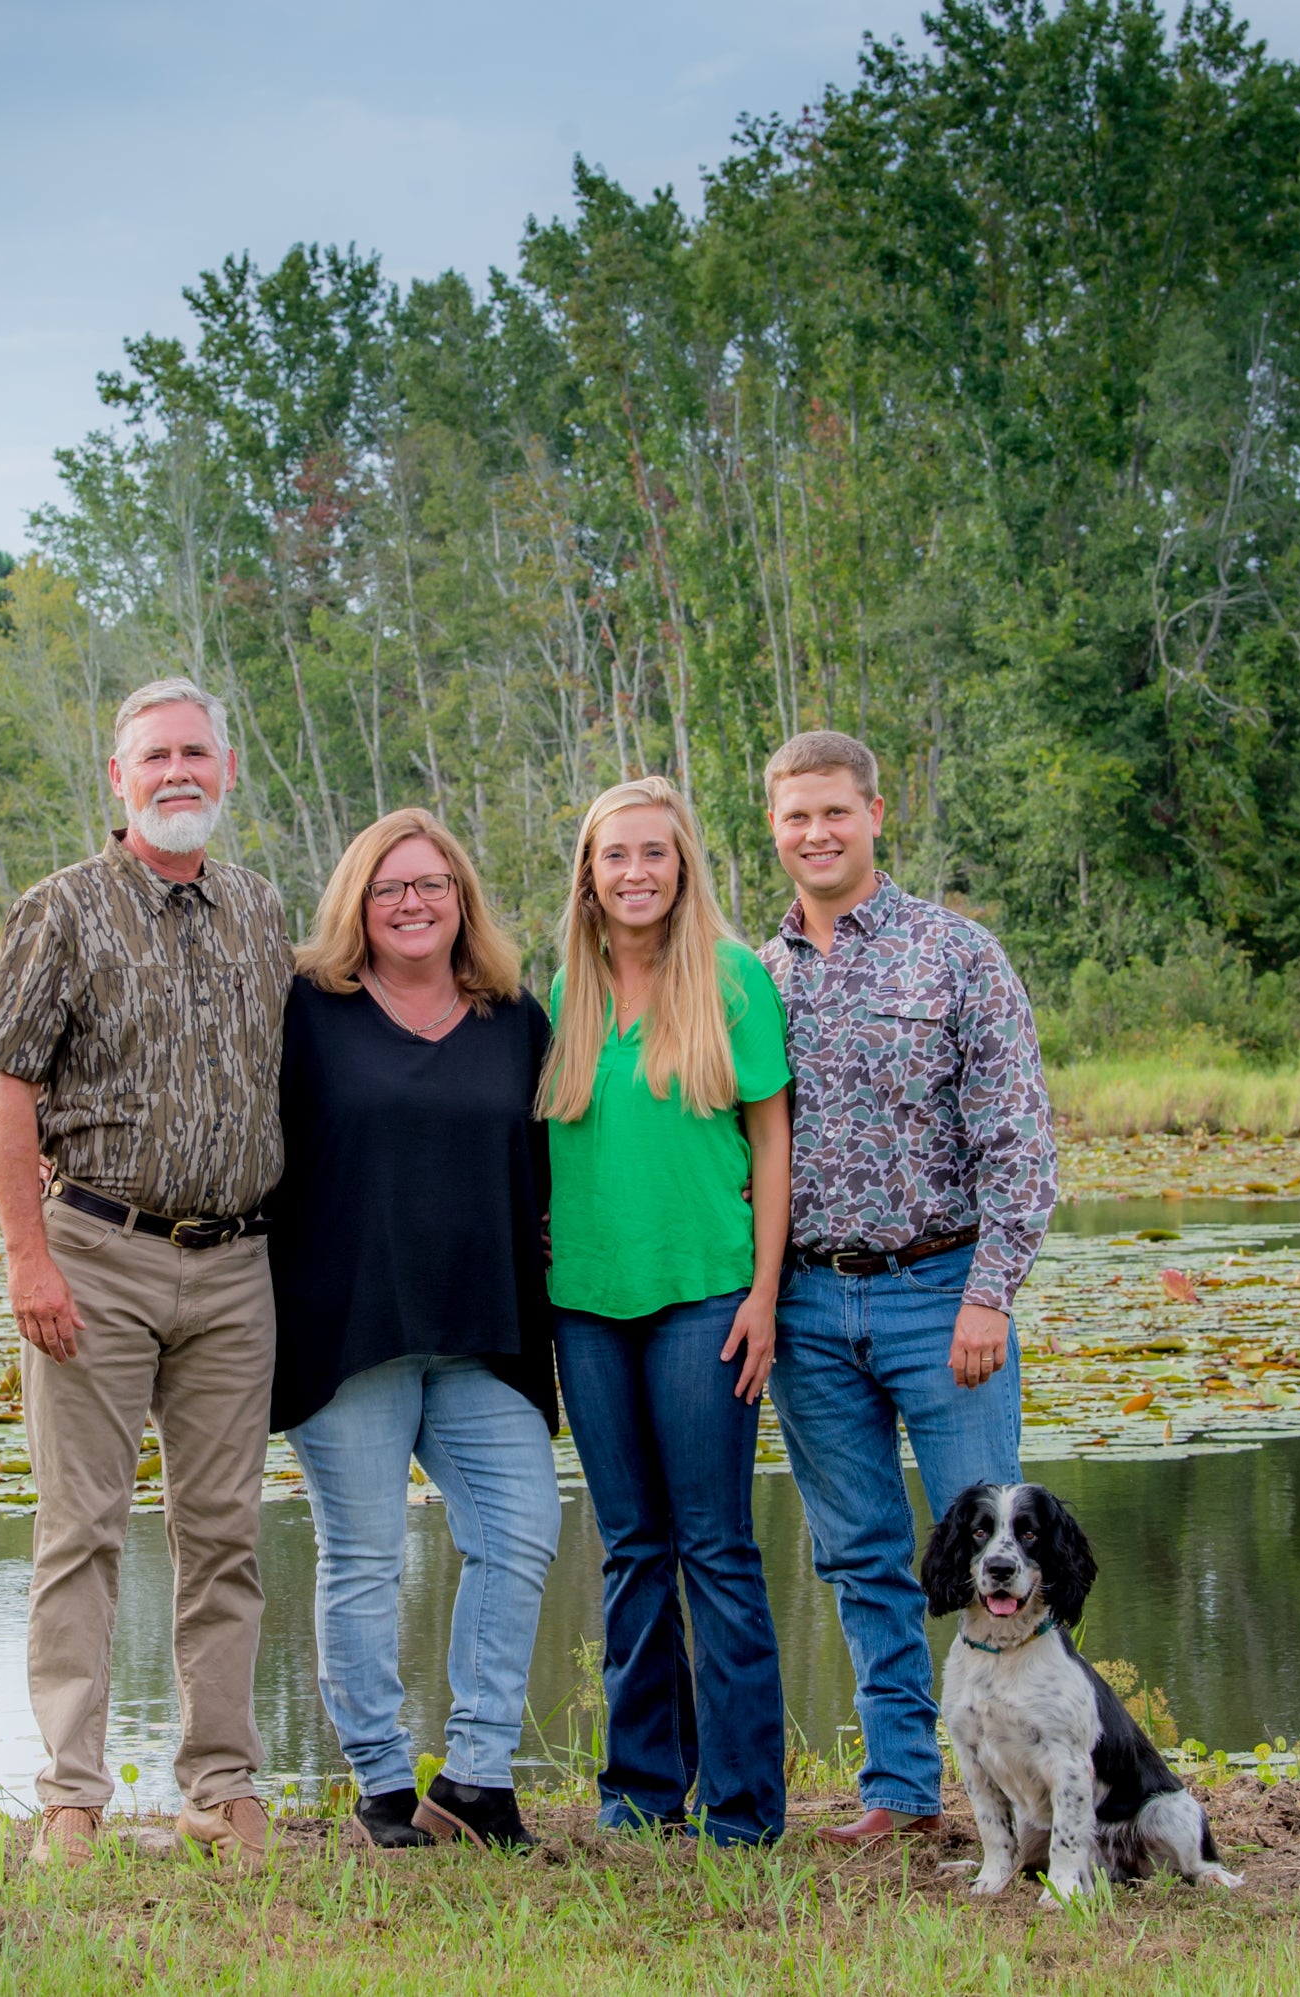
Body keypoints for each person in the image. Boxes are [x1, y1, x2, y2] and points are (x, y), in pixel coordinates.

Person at [0, 676, 294, 1867]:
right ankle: (71, 1795)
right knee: (81, 1531)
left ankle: (221, 1784)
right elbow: (7, 1090)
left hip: (235, 1260)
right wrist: (27, 1258)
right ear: (119, 777)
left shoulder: (261, 910)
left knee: (225, 1534)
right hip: (97, 1252)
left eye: (195, 752)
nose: (177, 773)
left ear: (228, 766)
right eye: (154, 756)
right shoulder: (60, 910)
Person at [756, 729, 1059, 1847]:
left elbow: (1019, 1140)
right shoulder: (757, 973)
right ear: (774, 827)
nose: (817, 833)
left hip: (941, 1293)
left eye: (836, 811)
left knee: (999, 1548)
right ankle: (899, 1785)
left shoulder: (957, 955)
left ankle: (1035, 1791)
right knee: (858, 1553)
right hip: (807, 1305)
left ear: (877, 813)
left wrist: (991, 1290)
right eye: (796, 816)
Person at [267, 808, 559, 1852]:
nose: (414, 901)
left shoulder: (514, 1015)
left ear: (462, 897)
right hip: (349, 1328)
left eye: (434, 882)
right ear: (357, 899)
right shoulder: (305, 1007)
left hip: (485, 1328)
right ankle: (384, 1782)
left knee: (521, 1533)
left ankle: (477, 1777)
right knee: (365, 1556)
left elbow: (553, 1159)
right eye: (391, 886)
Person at [539, 775, 794, 1845]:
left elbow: (774, 1143)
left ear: (683, 864)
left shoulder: (733, 982)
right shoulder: (563, 992)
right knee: (632, 1547)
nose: (635, 872)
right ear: (588, 877)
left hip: (707, 1299)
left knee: (716, 1546)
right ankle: (643, 1795)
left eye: (654, 852)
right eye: (615, 856)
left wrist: (766, 1295)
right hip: (588, 1306)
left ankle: (743, 1808)